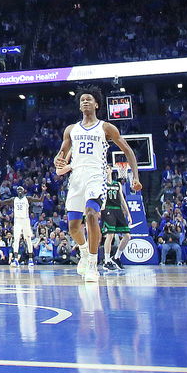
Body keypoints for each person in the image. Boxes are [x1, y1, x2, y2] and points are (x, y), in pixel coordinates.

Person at [53, 87, 142, 283]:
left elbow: (128, 151)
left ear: (96, 104)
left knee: (92, 215)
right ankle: (84, 252)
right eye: (82, 100)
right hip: (76, 178)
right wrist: (57, 161)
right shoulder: (71, 129)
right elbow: (60, 156)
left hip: (96, 176)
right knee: (74, 227)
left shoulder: (106, 128)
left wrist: (134, 177)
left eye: (88, 99)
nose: (85, 102)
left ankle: (93, 264)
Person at [100, 168, 133, 273]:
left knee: (127, 236)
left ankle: (116, 258)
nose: (106, 170)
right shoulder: (101, 184)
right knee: (110, 235)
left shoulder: (117, 184)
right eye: (104, 169)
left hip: (118, 210)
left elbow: (122, 200)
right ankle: (106, 261)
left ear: (111, 171)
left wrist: (128, 214)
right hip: (107, 209)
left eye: (108, 168)